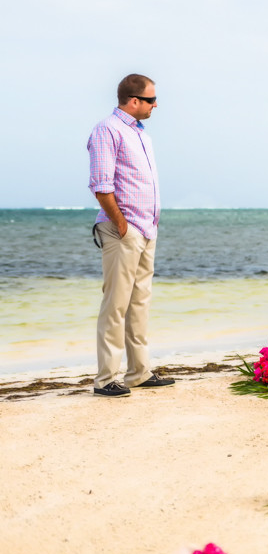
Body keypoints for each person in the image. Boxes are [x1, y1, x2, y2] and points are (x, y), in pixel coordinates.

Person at [87, 74, 175, 397]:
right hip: (123, 230)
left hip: (146, 229)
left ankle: (139, 372)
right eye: (151, 100)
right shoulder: (107, 130)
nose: (156, 105)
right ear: (134, 101)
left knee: (139, 303)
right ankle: (106, 378)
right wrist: (122, 225)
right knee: (116, 305)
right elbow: (101, 185)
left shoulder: (141, 134)